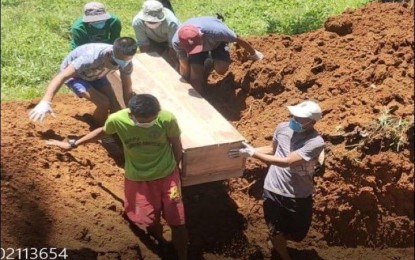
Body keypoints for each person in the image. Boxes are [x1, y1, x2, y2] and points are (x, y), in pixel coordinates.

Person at [46, 94, 188, 259]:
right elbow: (102, 132)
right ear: (131, 115)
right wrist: (73, 144)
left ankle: (182, 256)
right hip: (138, 179)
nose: (149, 123)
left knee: (178, 221)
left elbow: (177, 147)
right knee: (150, 219)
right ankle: (162, 243)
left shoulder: (166, 119)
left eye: (152, 119)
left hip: (167, 177)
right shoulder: (117, 120)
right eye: (143, 121)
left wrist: (173, 171)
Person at [228, 101, 325, 260]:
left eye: (299, 118)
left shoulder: (315, 142)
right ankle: (283, 254)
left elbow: (288, 162)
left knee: (298, 234)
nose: (294, 120)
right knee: (275, 229)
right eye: (293, 115)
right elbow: (273, 149)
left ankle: (277, 241)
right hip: (273, 189)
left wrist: (252, 154)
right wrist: (245, 151)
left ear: (312, 122)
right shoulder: (282, 128)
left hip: (298, 195)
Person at [29, 37, 137, 126]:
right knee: (103, 103)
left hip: (97, 75)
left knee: (116, 108)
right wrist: (46, 101)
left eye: (124, 63)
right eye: (116, 62)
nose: (119, 66)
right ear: (110, 54)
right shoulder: (90, 57)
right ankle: (97, 129)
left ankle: (115, 133)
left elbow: (127, 87)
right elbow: (62, 76)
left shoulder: (126, 64)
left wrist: (130, 110)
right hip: (76, 76)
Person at [172, 16, 264, 94]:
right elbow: (183, 64)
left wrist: (254, 54)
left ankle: (210, 62)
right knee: (195, 81)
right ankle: (205, 66)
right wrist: (185, 81)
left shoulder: (218, 32)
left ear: (201, 36)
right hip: (195, 50)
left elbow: (238, 39)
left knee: (221, 68)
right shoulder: (177, 42)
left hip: (217, 44)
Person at [132, 0, 180, 69]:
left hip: (169, 42)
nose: (152, 23)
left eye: (155, 21)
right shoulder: (137, 23)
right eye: (149, 21)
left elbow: (172, 47)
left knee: (170, 65)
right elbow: (143, 44)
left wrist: (171, 60)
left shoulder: (172, 23)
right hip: (152, 41)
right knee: (153, 64)